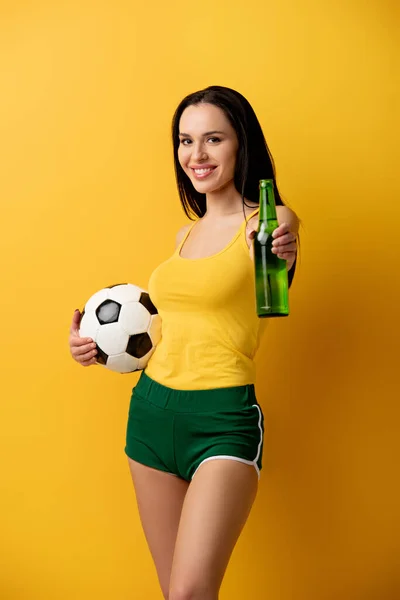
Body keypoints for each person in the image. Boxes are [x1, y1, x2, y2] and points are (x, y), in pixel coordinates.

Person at [69, 85, 299, 600]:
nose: (196, 155)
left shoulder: (268, 224)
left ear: (240, 144)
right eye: (185, 141)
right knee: (172, 593)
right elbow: (171, 327)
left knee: (191, 591)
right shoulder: (184, 236)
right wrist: (92, 342)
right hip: (151, 415)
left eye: (212, 139)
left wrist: (283, 246)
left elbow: (281, 254)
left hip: (221, 420)